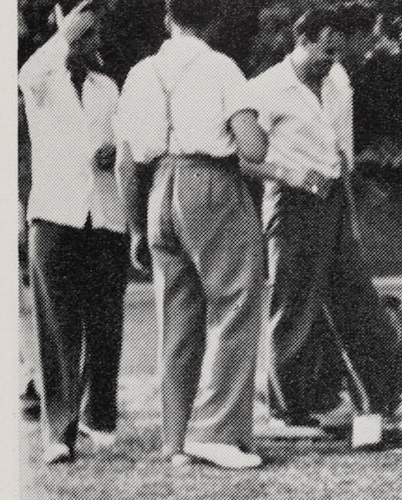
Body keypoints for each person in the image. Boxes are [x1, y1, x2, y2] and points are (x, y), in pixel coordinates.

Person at [115, 0, 269, 471]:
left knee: (175, 316)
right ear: (214, 19)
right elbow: (253, 147)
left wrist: (137, 227)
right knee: (236, 301)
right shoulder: (222, 67)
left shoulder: (140, 73)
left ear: (168, 19)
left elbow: (125, 161)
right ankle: (216, 432)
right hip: (211, 182)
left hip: (157, 186)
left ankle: (175, 439)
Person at [247, 6, 399, 436]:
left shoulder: (338, 81)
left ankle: (379, 399)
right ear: (303, 41)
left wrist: (350, 192)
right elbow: (240, 158)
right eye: (326, 50)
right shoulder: (264, 89)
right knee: (293, 302)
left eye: (338, 52)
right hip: (290, 202)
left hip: (334, 198)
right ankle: (288, 410)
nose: (333, 59)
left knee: (356, 297)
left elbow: (342, 145)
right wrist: (290, 173)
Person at [19, 0, 129, 466]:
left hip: (104, 214)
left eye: (96, 34)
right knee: (58, 327)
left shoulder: (108, 86)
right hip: (55, 216)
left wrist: (114, 150)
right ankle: (58, 431)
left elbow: (125, 139)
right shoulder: (41, 81)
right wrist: (67, 29)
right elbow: (33, 67)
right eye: (86, 34)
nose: (94, 43)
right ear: (66, 32)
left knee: (105, 321)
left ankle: (98, 413)